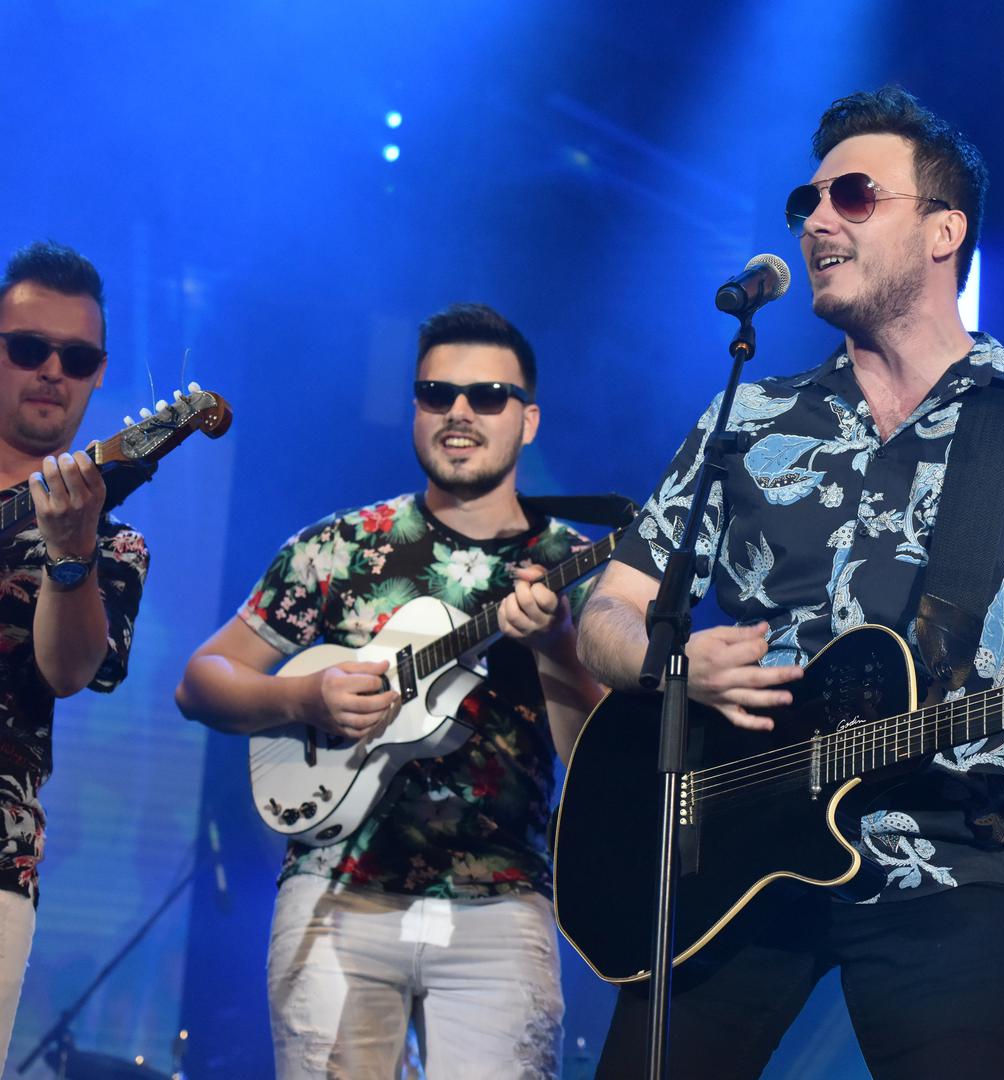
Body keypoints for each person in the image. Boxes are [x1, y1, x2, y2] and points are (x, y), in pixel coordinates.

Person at [575, 86, 1004, 1080]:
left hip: (946, 863)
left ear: (945, 230)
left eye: (854, 196)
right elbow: (608, 610)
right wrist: (671, 664)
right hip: (729, 850)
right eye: (809, 200)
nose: (817, 221)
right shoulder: (749, 418)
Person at [174, 303, 602, 1079]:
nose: (460, 412)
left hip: (502, 907)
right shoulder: (339, 548)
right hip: (333, 890)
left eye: (488, 396)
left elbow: (599, 756)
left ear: (528, 420)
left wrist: (555, 645)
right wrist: (302, 700)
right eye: (437, 394)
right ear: (415, 409)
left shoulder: (573, 565)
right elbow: (201, 682)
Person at [0, 241, 148, 1070]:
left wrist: (68, 554)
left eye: (77, 357)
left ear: (98, 377)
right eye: (28, 348)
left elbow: (68, 671)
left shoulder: (111, 545)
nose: (52, 370)